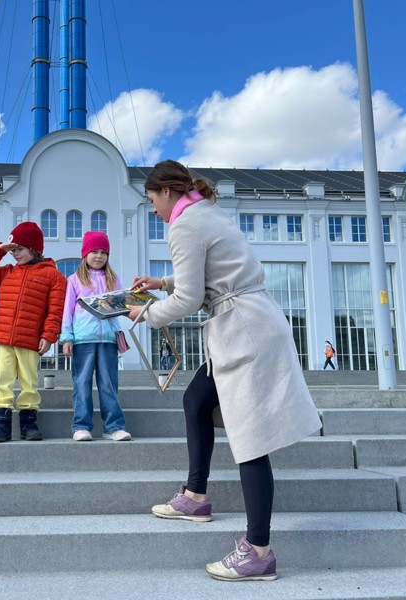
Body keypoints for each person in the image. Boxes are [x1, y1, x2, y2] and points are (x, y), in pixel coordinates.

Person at [128, 159, 321, 582]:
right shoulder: (205, 212)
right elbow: (205, 277)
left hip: (244, 331)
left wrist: (144, 313)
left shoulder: (183, 225)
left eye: (152, 200)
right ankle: (196, 496)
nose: (153, 210)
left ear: (167, 191)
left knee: (251, 439)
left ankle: (258, 551)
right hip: (247, 323)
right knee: (196, 399)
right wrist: (161, 285)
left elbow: (189, 299)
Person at [0, 221, 67, 443]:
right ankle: (1, 424)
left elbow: (55, 311)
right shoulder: (7, 274)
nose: (15, 254)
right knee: (3, 379)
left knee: (29, 380)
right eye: (13, 249)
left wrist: (49, 335)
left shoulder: (53, 277)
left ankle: (29, 423)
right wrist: (0, 249)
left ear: (34, 248)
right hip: (5, 338)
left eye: (20, 249)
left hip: (30, 340)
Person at [60, 231, 131, 442]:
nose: (99, 256)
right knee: (82, 383)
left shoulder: (113, 280)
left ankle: (114, 426)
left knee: (109, 384)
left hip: (108, 340)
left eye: (103, 252)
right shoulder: (74, 280)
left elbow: (120, 307)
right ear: (85, 254)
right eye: (94, 251)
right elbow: (67, 310)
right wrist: (67, 338)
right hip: (83, 340)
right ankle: (81, 425)